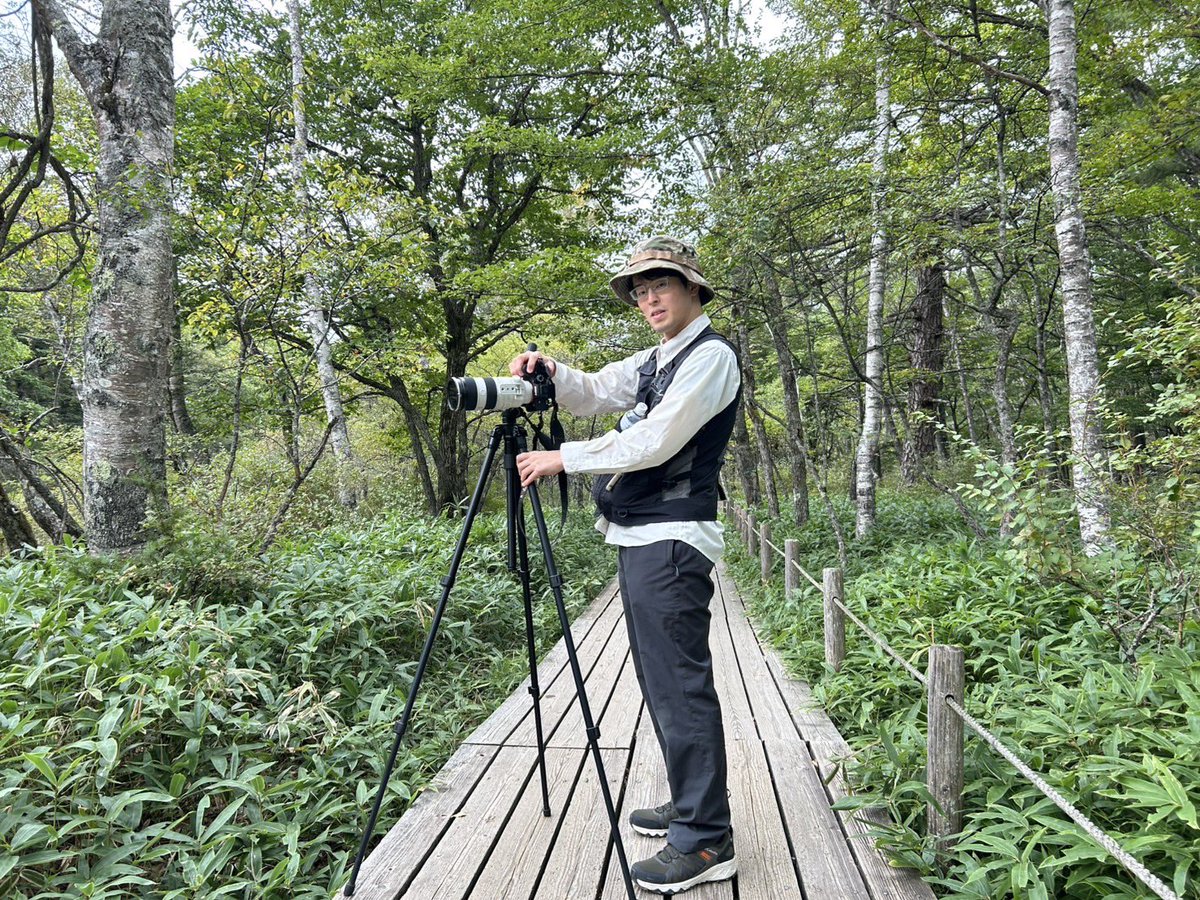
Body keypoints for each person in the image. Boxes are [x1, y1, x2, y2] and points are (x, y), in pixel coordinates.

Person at [511, 236, 741, 894]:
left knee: (680, 687)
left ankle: (705, 841)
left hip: (672, 541)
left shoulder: (711, 357)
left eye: (660, 284)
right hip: (642, 540)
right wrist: (550, 371)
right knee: (661, 682)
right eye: (639, 290)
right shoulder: (656, 359)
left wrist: (564, 459)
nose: (648, 298)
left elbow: (655, 439)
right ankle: (692, 802)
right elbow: (594, 391)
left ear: (693, 286)